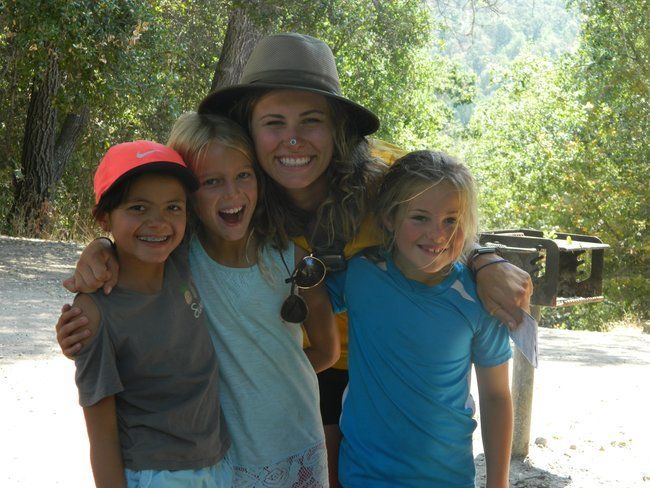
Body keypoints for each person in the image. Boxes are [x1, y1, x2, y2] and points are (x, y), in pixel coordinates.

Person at [56, 33, 532, 486]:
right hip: (300, 373)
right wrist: (101, 252)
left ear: (338, 129)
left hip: (373, 373)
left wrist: (485, 258)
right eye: (274, 123)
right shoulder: (238, 193)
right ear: (249, 128)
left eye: (311, 120)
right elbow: (151, 209)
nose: (293, 140)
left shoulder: (384, 175)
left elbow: (442, 218)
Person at [62, 113, 338, 486]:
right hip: (229, 457)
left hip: (297, 442)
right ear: (191, 195)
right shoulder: (180, 257)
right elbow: (131, 245)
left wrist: (269, 379)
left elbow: (327, 351)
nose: (232, 193)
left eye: (244, 175)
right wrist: (98, 249)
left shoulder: (289, 258)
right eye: (211, 181)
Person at [327, 150, 513, 487]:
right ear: (388, 218)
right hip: (363, 476)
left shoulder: (481, 298)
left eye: (451, 220)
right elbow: (305, 303)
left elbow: (497, 395)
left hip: (447, 478)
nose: (437, 234)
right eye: (420, 218)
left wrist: (498, 483)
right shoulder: (361, 275)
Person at [71, 140, 231, 487]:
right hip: (155, 474)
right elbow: (101, 437)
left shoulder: (179, 261)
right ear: (104, 217)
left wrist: (99, 247)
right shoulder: (94, 312)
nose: (158, 222)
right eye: (138, 208)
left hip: (218, 463)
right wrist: (99, 247)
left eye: (173, 207)